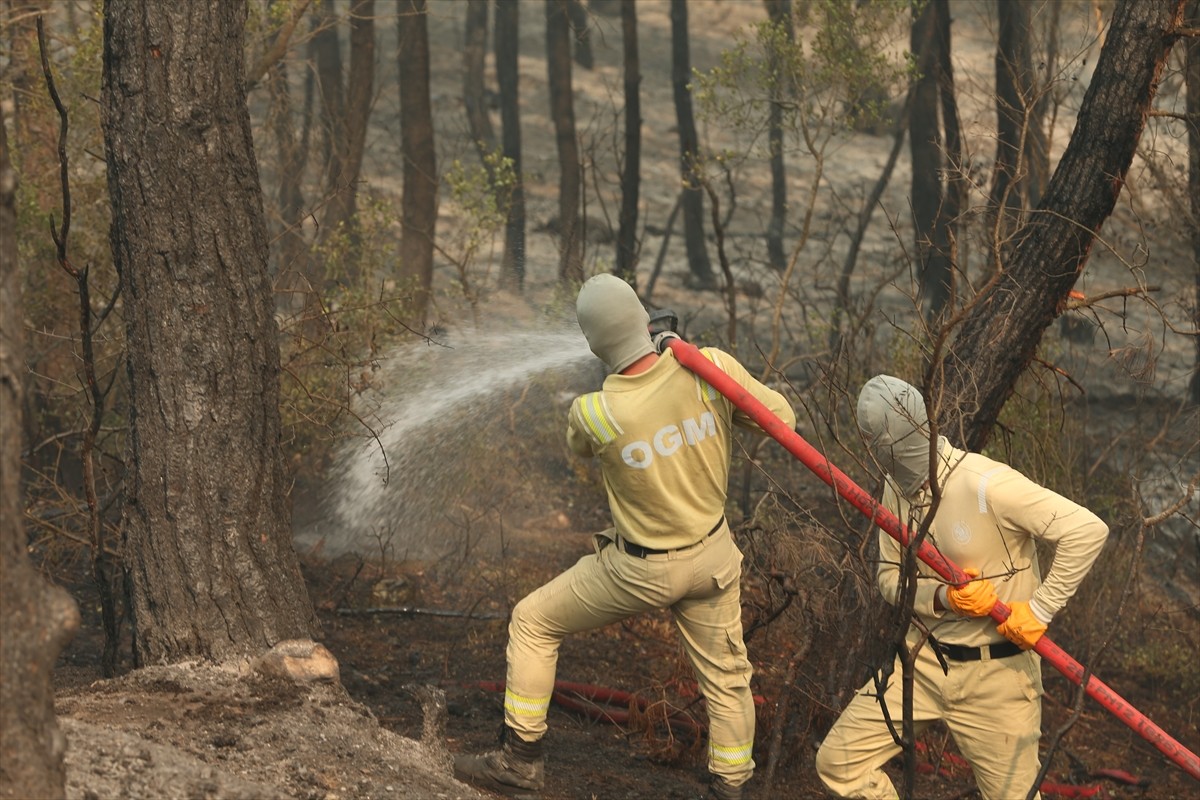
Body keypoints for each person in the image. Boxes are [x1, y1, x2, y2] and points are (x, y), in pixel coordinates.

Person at [453, 274, 796, 800]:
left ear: (593, 345)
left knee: (533, 622)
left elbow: (581, 448)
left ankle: (519, 764)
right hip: (713, 559)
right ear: (645, 319)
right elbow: (781, 419)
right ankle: (732, 787)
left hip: (640, 571)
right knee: (729, 678)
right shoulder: (712, 370)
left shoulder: (594, 412)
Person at [815, 375, 1109, 800]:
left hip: (999, 678)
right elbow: (887, 580)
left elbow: (1086, 530)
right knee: (838, 764)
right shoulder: (895, 487)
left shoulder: (985, 484)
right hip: (924, 664)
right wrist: (940, 598)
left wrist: (1040, 610)